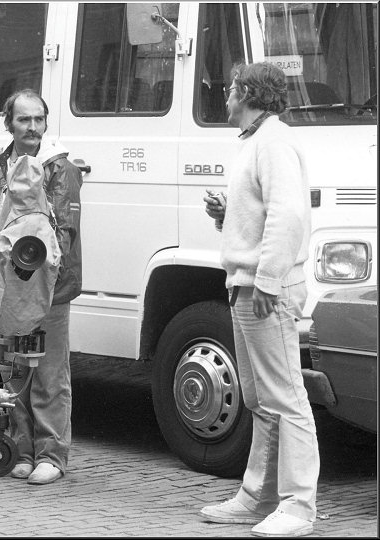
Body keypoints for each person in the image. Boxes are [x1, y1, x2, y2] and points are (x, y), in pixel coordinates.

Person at [199, 62, 319, 537]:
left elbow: (289, 215)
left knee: (285, 397)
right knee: (259, 398)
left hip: (264, 289)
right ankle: (259, 496)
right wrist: (228, 215)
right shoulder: (261, 141)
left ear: (247, 92)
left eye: (230, 89)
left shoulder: (272, 142)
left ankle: (298, 505)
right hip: (248, 285)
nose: (225, 96)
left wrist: (267, 280)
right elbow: (269, 211)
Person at [0, 89, 82, 486]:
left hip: (50, 289)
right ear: (9, 123)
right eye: (24, 120)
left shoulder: (60, 168)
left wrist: (36, 269)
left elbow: (64, 233)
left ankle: (52, 456)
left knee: (49, 374)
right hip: (7, 286)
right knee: (15, 373)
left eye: (39, 119)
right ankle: (21, 452)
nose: (33, 128)